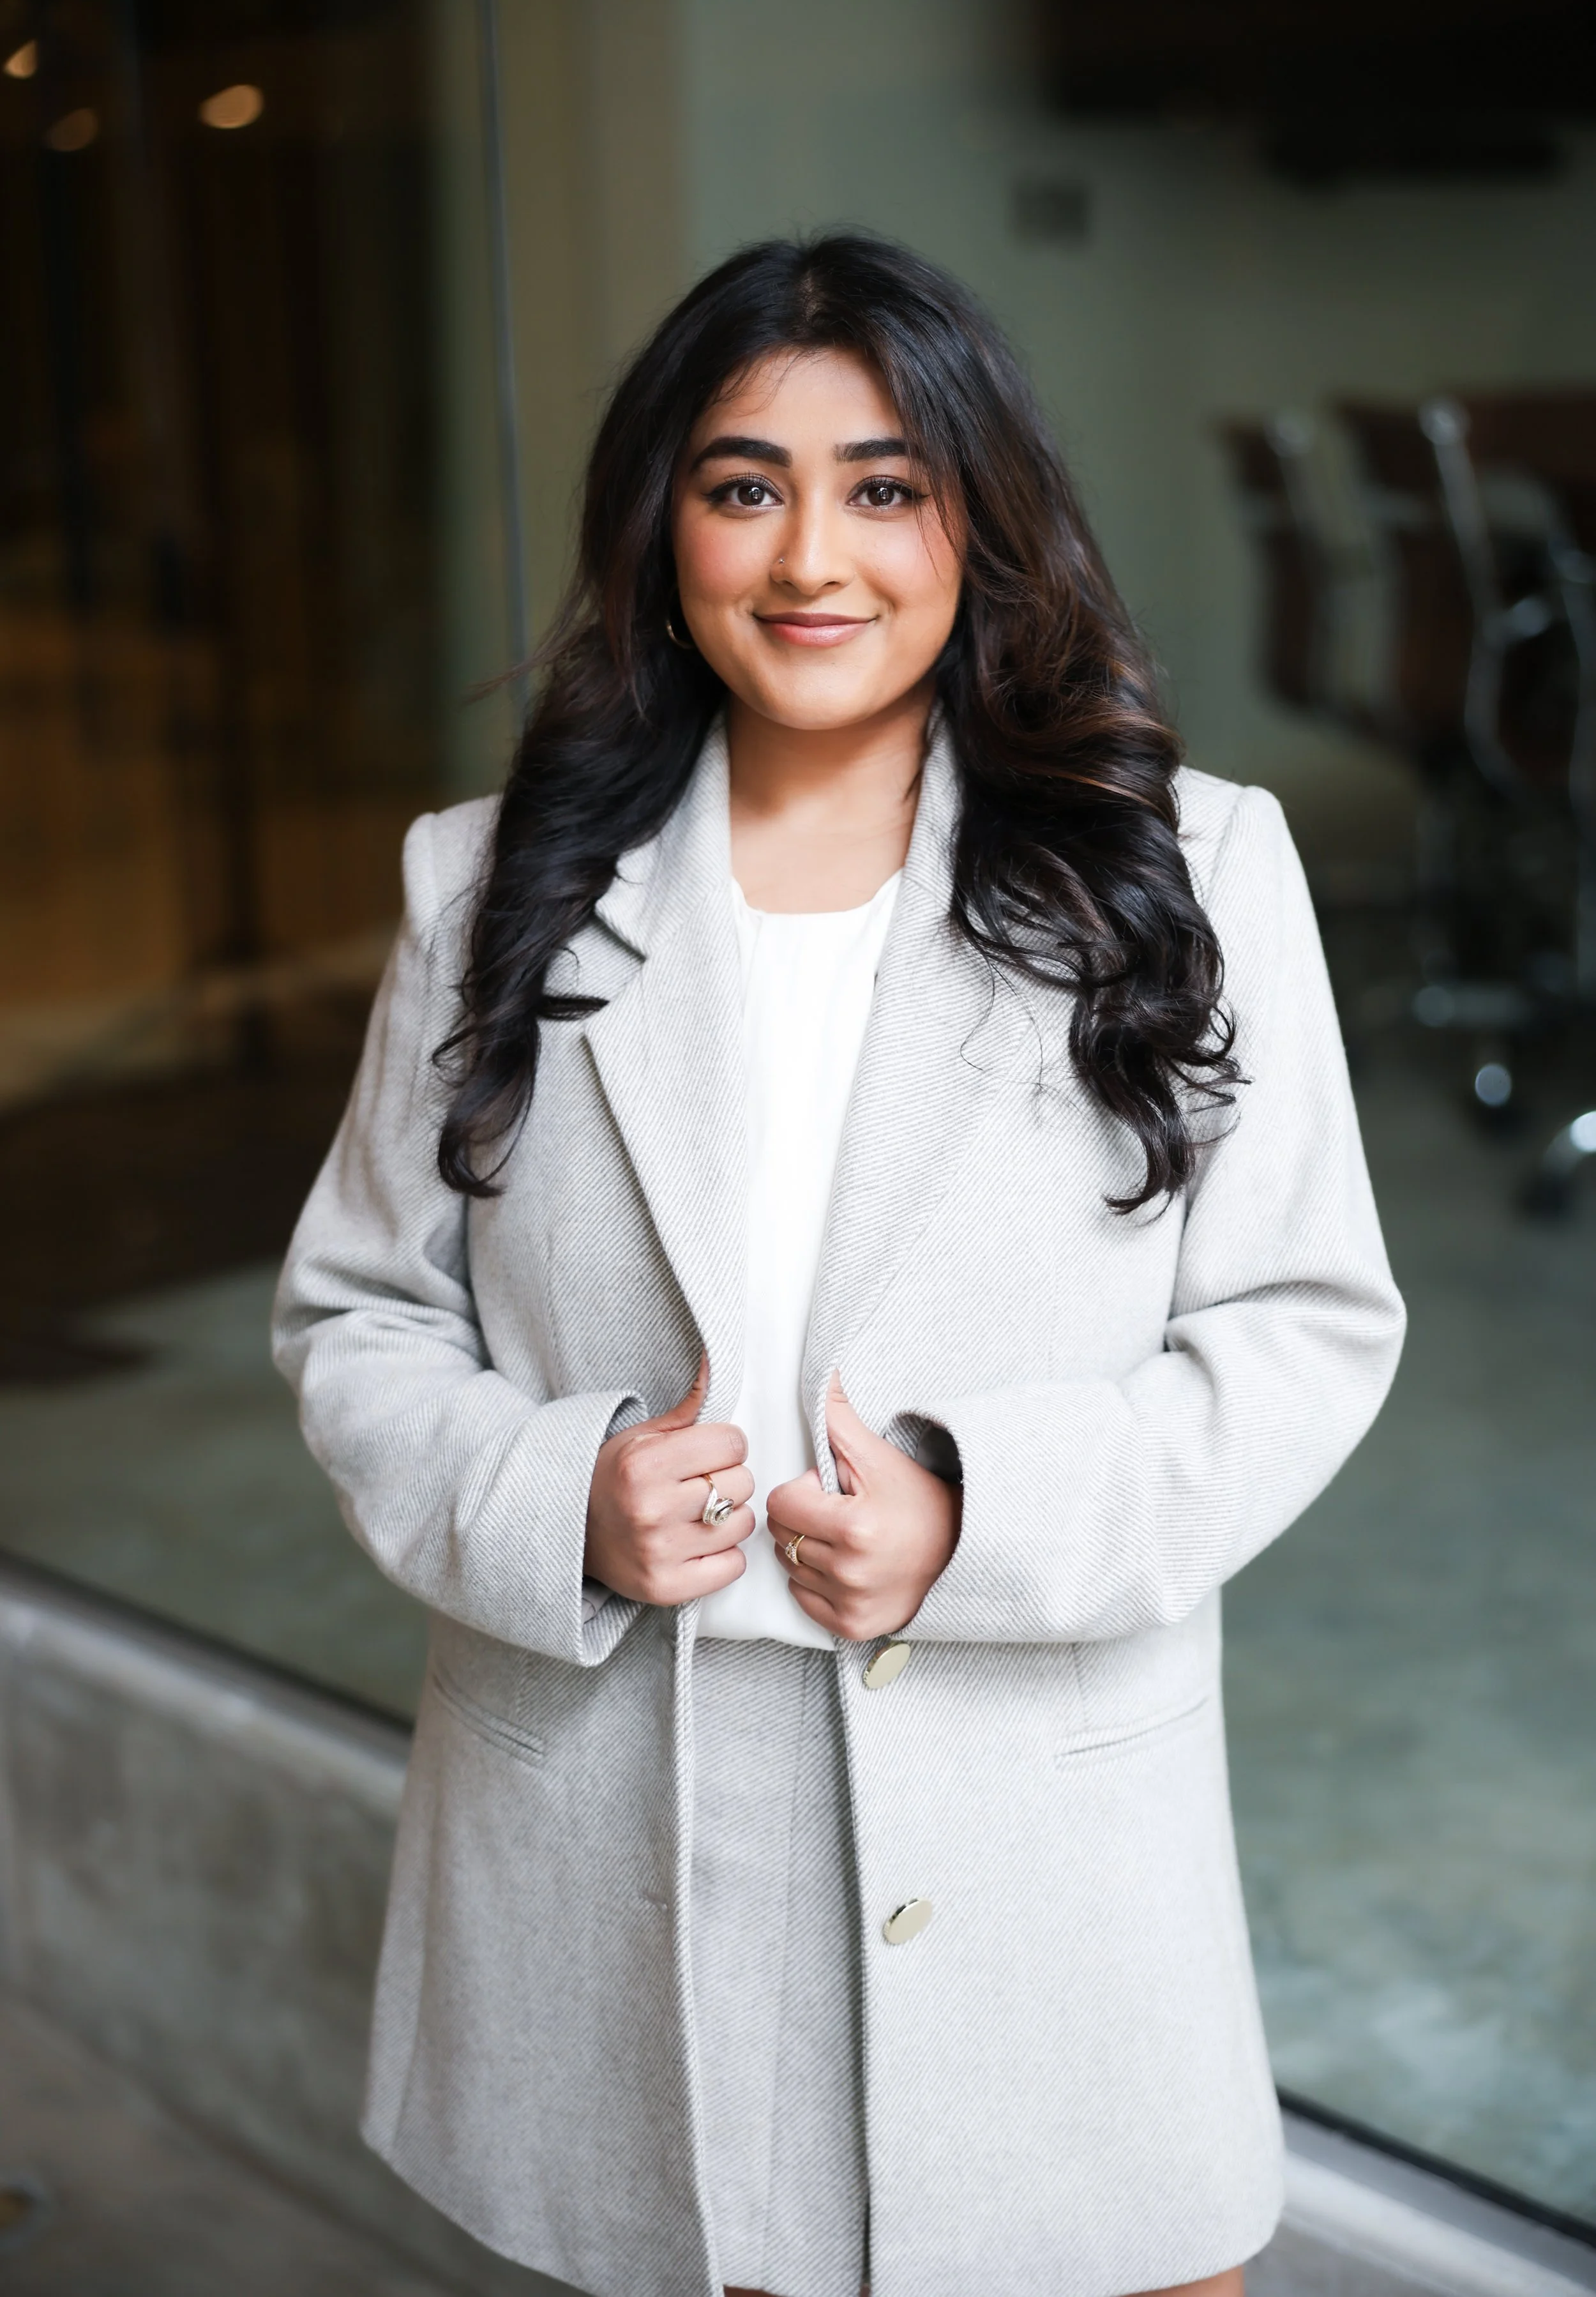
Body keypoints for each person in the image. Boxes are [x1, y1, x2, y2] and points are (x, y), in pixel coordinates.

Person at [273, 233, 1404, 2297]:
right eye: (741, 484)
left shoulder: (1193, 868)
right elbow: (359, 1312)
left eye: (882, 485)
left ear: (978, 516)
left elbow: (1303, 1324)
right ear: (662, 524)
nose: (812, 554)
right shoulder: (489, 883)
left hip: (1038, 1847)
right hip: (616, 1862)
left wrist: (983, 1519)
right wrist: (558, 1498)